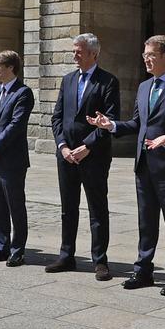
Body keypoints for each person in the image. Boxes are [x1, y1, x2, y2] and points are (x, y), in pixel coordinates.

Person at [88, 35, 165, 293]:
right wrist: (111, 125)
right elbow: (138, 124)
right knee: (146, 222)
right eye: (144, 54)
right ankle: (143, 271)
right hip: (144, 165)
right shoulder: (144, 87)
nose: (145, 59)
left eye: (151, 55)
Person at [48, 33, 119, 279]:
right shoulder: (67, 80)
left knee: (97, 208)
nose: (74, 55)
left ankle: (100, 260)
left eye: (79, 51)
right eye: (74, 50)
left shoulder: (108, 81)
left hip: (94, 155)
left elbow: (109, 121)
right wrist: (63, 146)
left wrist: (87, 146)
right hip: (67, 155)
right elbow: (57, 117)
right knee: (68, 207)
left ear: (93, 54)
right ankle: (66, 255)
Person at [0, 50, 34, 266]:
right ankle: (1, 246)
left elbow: (16, 124)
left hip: (11, 159)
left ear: (11, 67)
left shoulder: (23, 93)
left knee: (15, 205)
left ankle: (17, 249)